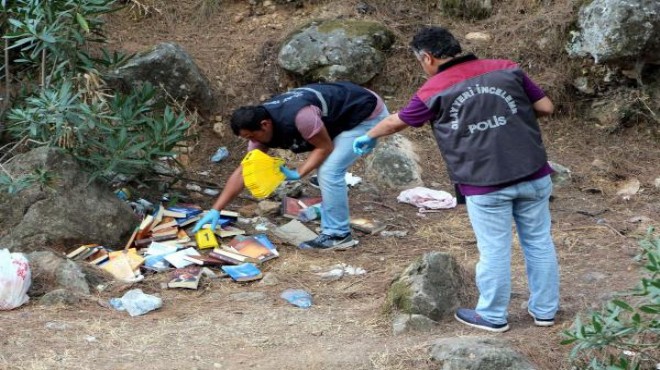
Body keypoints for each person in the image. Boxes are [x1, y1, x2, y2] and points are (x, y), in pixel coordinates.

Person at [353, 26, 559, 332]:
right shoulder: (506, 68)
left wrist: (368, 136)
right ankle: (545, 312)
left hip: (485, 184)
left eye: (419, 61)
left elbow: (398, 122)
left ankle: (492, 315)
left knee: (494, 249)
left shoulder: (434, 89)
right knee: (539, 242)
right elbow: (546, 107)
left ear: (427, 57)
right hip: (532, 172)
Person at [193, 82, 389, 250]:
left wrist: (298, 173)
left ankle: (338, 235)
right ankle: (333, 223)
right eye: (247, 139)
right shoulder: (260, 130)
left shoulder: (300, 117)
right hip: (339, 115)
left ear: (264, 124)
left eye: (252, 136)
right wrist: (216, 209)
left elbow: (324, 146)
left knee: (329, 171)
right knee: (326, 170)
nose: (252, 142)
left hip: (365, 113)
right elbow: (245, 170)